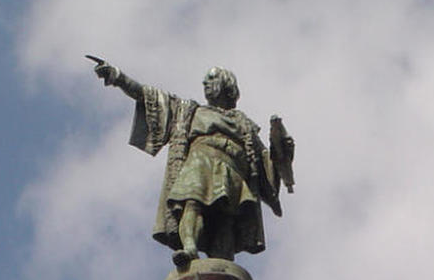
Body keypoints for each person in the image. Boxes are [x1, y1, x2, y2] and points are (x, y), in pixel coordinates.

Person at [89, 57, 294, 268]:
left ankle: (221, 266)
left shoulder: (245, 125)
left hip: (232, 170)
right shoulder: (189, 111)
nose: (205, 83)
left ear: (226, 85)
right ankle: (189, 246)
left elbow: (266, 163)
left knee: (225, 220)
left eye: (211, 78)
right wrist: (118, 77)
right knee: (192, 202)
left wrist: (281, 148)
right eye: (205, 80)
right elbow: (150, 97)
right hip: (200, 161)